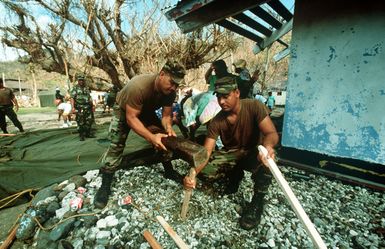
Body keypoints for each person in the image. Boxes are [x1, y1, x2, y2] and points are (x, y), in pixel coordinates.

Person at [184, 76, 279, 230]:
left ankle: (257, 201)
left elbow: (271, 133)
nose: (221, 102)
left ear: (237, 93)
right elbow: (206, 152)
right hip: (233, 153)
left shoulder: (254, 106)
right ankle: (235, 176)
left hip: (254, 152)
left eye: (225, 96)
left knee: (268, 162)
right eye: (219, 97)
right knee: (206, 171)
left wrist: (268, 147)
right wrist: (193, 173)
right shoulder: (217, 121)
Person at [94, 60, 186, 209]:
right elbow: (131, 119)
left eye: (177, 84)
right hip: (124, 110)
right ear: (162, 74)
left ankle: (169, 170)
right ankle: (105, 185)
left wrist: (168, 127)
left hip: (146, 110)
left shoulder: (170, 91)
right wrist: (151, 137)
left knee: (164, 137)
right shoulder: (139, 86)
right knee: (117, 145)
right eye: (172, 82)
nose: (174, 87)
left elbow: (166, 115)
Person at [70, 74, 95, 141]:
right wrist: (72, 107)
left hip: (88, 107)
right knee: (80, 122)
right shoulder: (75, 88)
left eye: (82, 80)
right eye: (80, 80)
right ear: (78, 81)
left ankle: (88, 133)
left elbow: (89, 97)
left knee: (89, 121)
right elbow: (72, 98)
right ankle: (81, 135)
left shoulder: (86, 88)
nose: (81, 81)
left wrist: (92, 106)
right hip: (80, 108)